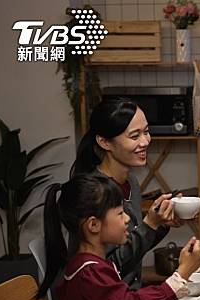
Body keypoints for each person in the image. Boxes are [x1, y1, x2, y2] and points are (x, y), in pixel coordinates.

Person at [36, 175, 200, 300]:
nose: (127, 219)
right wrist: (181, 274)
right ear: (93, 225)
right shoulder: (89, 274)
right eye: (120, 213)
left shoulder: (91, 264)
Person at [72, 99, 183, 289]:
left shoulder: (130, 181)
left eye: (146, 132)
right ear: (104, 142)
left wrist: (161, 223)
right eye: (134, 136)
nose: (145, 141)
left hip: (130, 294)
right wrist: (150, 224)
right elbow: (110, 267)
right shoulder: (95, 193)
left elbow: (132, 245)